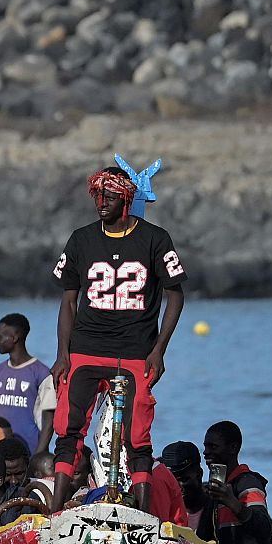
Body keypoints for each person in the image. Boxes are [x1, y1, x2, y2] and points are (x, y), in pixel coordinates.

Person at [49, 165, 187, 513]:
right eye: (98, 197)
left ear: (125, 199)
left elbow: (176, 295)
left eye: (109, 198)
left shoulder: (155, 239)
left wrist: (159, 351)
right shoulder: (81, 239)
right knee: (68, 429)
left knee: (137, 436)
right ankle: (55, 510)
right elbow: (68, 300)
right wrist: (62, 354)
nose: (102, 204)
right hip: (86, 349)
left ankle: (141, 512)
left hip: (135, 351)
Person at [198, 421, 272, 544]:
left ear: (233, 448)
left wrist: (233, 503)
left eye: (213, 447)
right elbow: (203, 539)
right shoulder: (217, 490)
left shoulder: (248, 484)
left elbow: (264, 528)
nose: (205, 452)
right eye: (205, 447)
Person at [0, 313, 57, 453]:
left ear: (14, 338)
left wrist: (39, 454)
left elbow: (48, 421)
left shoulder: (41, 373)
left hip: (29, 449)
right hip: (0, 449)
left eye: (0, 336)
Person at [159, 441, 206, 528]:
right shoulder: (163, 512)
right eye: (171, 482)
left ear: (199, 474)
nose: (177, 487)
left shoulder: (216, 507)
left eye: (183, 480)